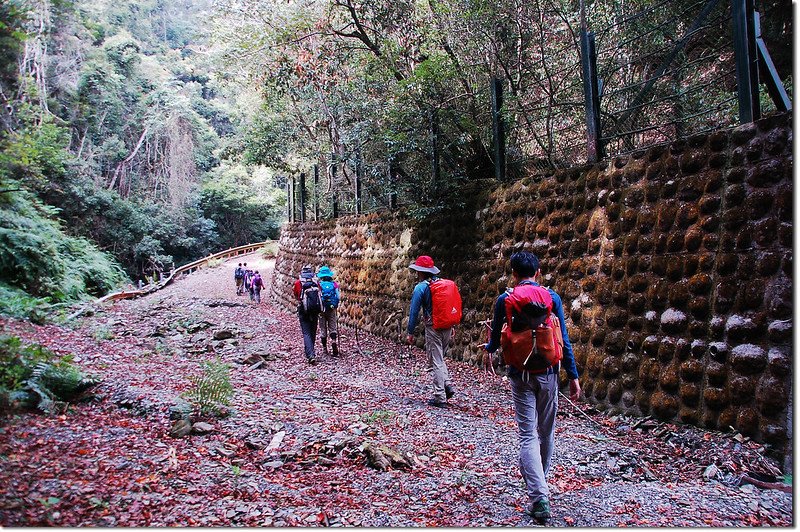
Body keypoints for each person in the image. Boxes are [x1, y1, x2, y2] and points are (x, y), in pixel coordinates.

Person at [483, 251, 580, 522]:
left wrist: (489, 349)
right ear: (538, 272)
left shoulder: (506, 299)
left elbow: (494, 337)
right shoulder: (553, 298)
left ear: (514, 274)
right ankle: (541, 483)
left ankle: (539, 496)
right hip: (549, 373)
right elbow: (564, 338)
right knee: (546, 433)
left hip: (520, 375)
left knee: (528, 435)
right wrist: (573, 376)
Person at [406, 255, 455, 408]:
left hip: (433, 326)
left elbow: (414, 311)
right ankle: (446, 384)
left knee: (436, 361)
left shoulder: (420, 287)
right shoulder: (442, 284)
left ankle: (440, 396)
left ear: (420, 272)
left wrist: (410, 332)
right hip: (447, 325)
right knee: (439, 358)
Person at [293, 265, 322, 365]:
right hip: (315, 309)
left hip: (303, 309)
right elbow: (320, 293)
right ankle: (310, 351)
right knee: (313, 330)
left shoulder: (298, 283)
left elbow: (296, 294)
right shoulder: (315, 282)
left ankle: (310, 354)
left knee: (306, 332)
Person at [317, 266, 341, 357]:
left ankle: (324, 349)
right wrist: (335, 304)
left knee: (323, 328)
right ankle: (334, 341)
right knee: (333, 327)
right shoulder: (334, 284)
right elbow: (338, 297)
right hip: (331, 308)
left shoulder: (319, 284)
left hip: (322, 309)